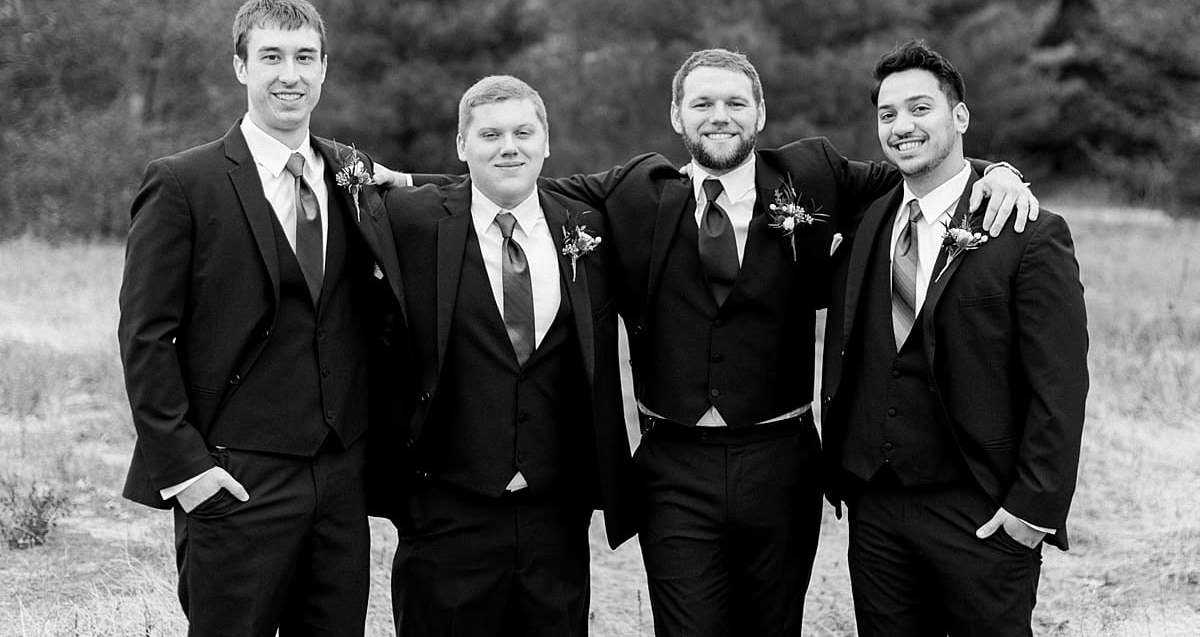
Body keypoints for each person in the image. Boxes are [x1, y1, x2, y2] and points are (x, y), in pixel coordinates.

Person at [389, 48, 1035, 637]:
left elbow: (919, 168)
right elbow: (513, 182)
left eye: (734, 102)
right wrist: (403, 183)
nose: (718, 115)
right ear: (677, 116)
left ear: (760, 112)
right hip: (673, 466)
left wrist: (995, 170)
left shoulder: (813, 175)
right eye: (702, 103)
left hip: (781, 459)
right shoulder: (634, 193)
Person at [118, 0, 403, 637]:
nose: (289, 74)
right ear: (241, 67)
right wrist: (187, 472)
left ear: (325, 69)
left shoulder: (353, 175)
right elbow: (145, 336)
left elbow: (444, 201)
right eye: (271, 56)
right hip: (234, 478)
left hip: (338, 479)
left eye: (305, 57)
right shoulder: (182, 184)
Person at [820, 40, 1088, 637]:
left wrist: (1031, 511)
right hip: (877, 508)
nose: (902, 127)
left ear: (959, 117)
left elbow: (1061, 385)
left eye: (921, 109)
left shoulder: (1028, 232)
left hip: (984, 511)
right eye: (888, 115)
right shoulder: (867, 220)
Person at [370, 75, 637, 636]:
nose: (508, 146)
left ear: (546, 141)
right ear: (463, 146)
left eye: (523, 132)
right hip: (444, 514)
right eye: (489, 134)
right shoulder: (410, 220)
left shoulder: (587, 226)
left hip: (555, 522)